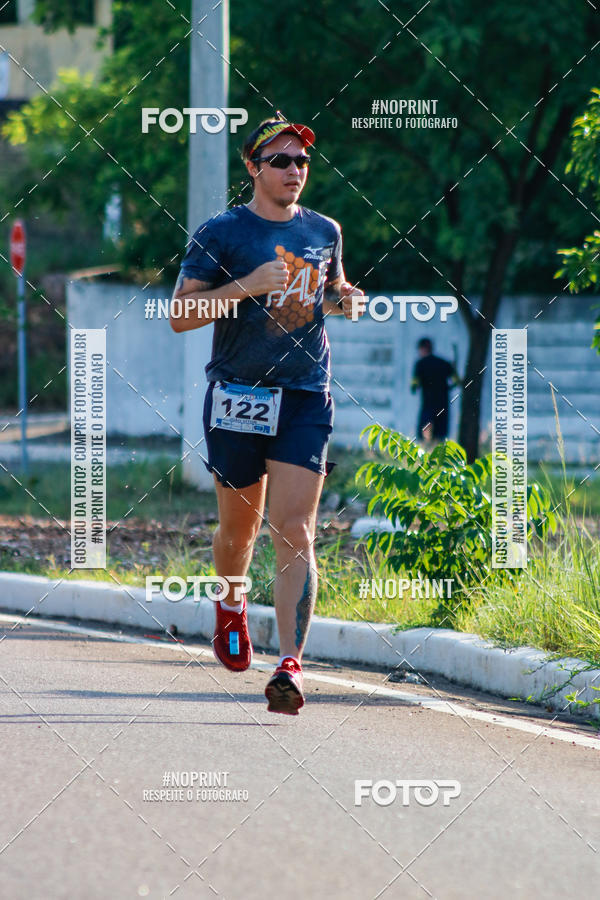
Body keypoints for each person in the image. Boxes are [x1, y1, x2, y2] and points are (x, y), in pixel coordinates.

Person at [170, 112, 366, 715]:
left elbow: (329, 289)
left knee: (296, 529)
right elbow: (182, 313)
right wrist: (248, 285)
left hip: (306, 394)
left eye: (302, 161)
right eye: (280, 160)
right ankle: (231, 603)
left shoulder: (324, 229)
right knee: (239, 531)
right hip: (237, 396)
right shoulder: (221, 232)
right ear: (254, 167)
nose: (294, 171)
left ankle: (290, 665)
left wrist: (346, 298)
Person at [411, 337, 460, 446]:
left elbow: (414, 385)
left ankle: (424, 453)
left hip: (428, 403)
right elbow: (456, 381)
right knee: (440, 434)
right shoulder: (444, 363)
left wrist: (414, 387)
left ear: (423, 349)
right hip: (443, 403)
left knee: (423, 432)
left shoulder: (420, 364)